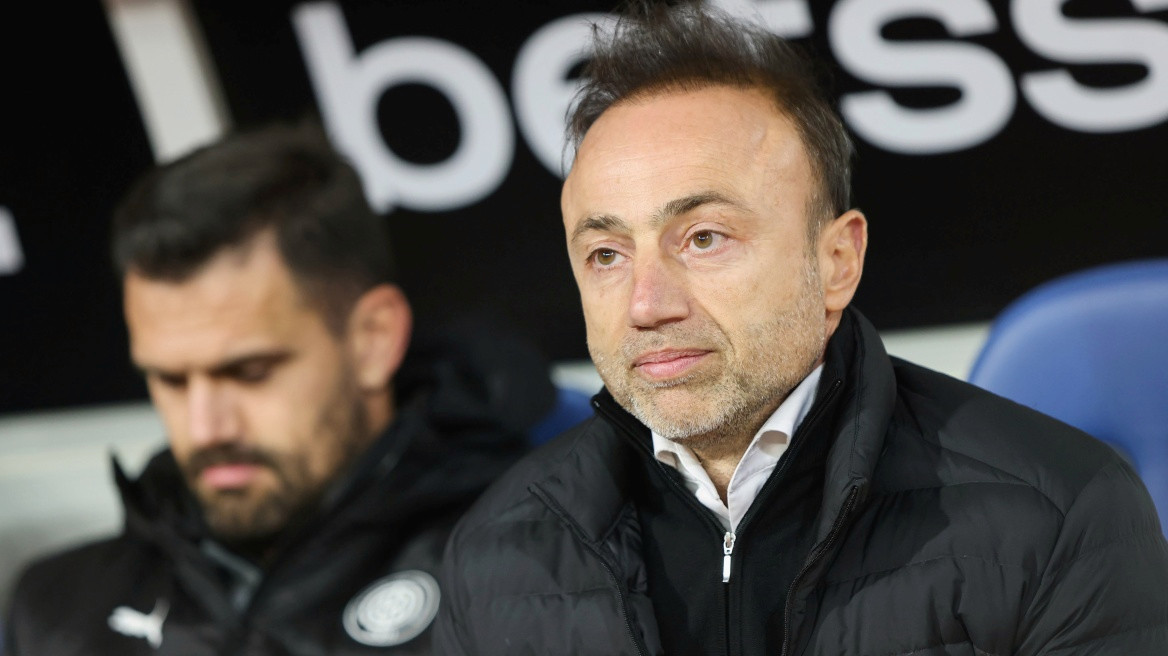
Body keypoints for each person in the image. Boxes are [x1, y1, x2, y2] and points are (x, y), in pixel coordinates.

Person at [435, 3, 1168, 655]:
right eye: (606, 254)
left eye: (704, 238)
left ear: (838, 261)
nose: (646, 305)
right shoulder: (495, 554)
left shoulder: (1060, 513)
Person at [4, 123, 550, 654]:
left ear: (373, 339)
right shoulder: (56, 610)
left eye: (250, 371)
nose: (206, 429)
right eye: (170, 379)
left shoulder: (533, 572)